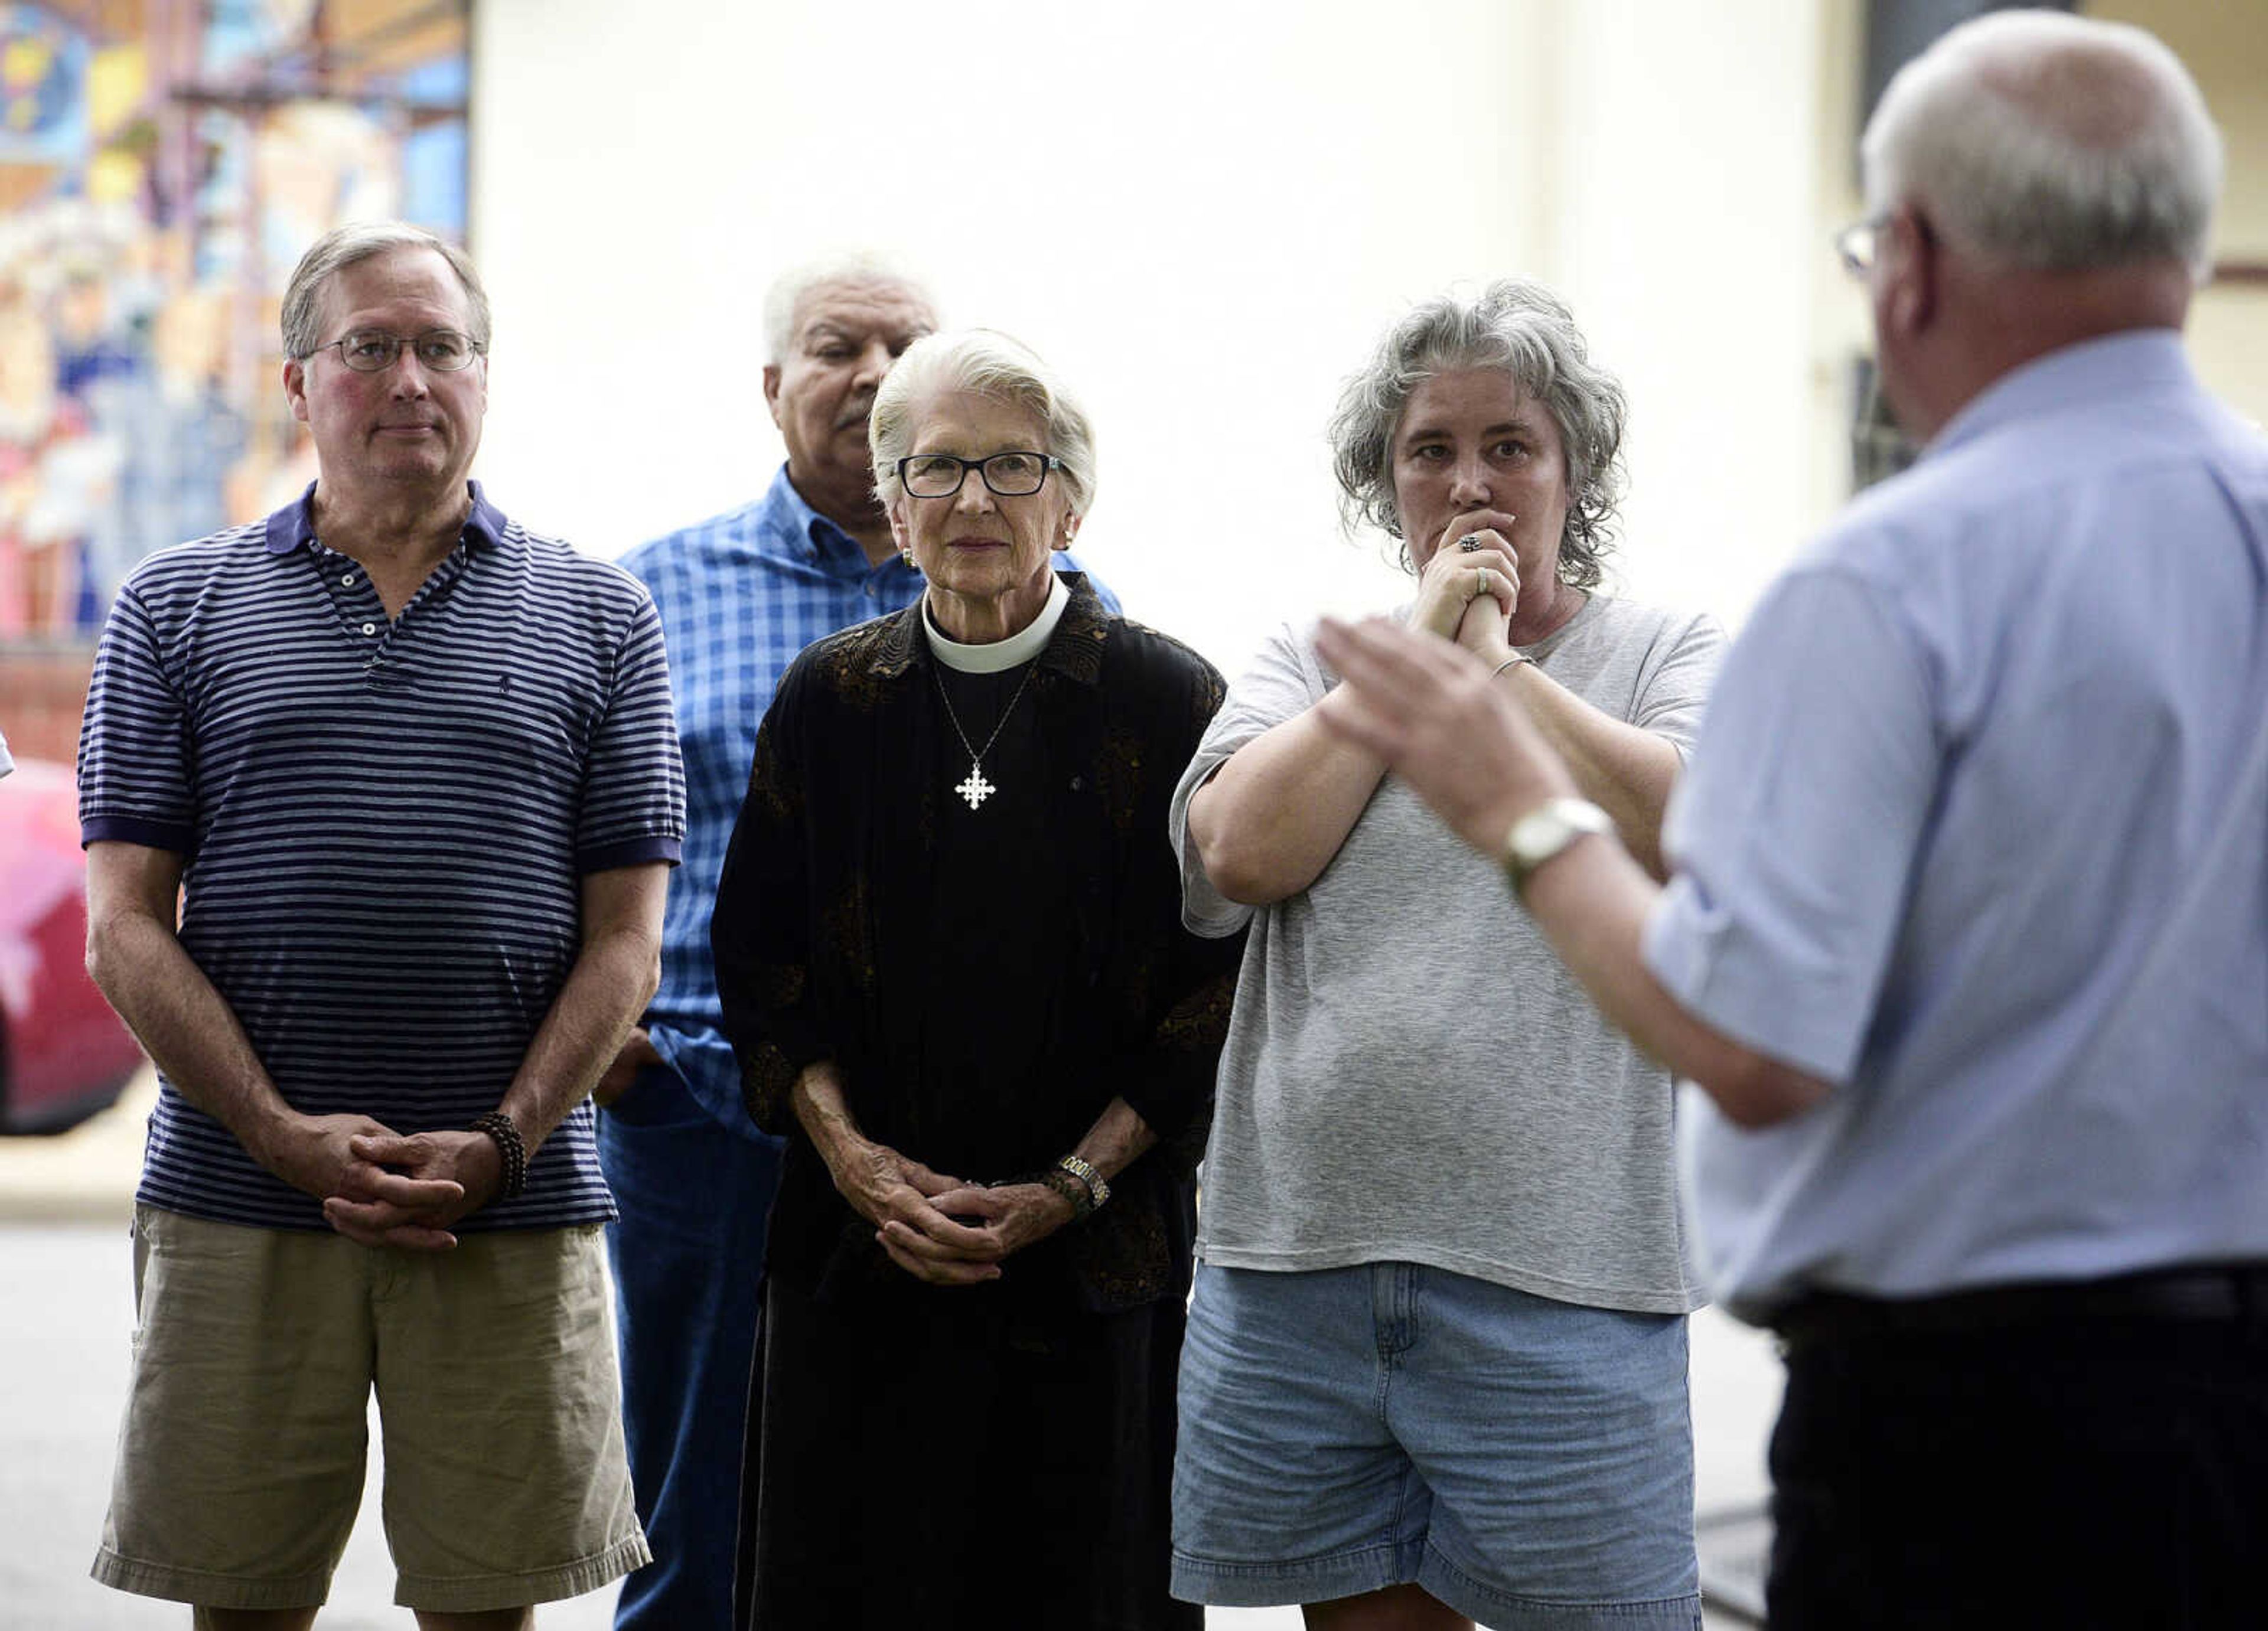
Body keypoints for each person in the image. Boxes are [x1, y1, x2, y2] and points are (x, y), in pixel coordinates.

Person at [1310, 14, 2264, 1628]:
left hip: (1975, 1435)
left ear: (1912, 264)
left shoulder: (1891, 580)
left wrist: (1519, 804)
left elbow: (1755, 1038)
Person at [77, 221, 681, 1626]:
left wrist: (503, 1143)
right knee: (241, 1596)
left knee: (490, 1602)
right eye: (371, 347)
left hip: (511, 1213)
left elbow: (625, 944)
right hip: (239, 1196)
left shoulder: (602, 615)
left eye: (444, 346)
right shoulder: (177, 606)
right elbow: (124, 926)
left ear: (485, 374)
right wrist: (280, 1133)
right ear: (298, 383)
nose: (412, 378)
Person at [1168, 280, 1723, 1630]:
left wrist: (1501, 673)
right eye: (1431, 450)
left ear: (1571, 468)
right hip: (1303, 1276)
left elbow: (1693, 838)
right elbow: (1239, 854)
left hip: (1570, 1287)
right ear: (1386, 481)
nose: (1470, 481)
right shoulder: (1310, 658)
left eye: (1510, 445)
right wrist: (1414, 659)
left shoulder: (1663, 649)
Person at [594, 256, 1113, 1631]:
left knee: (942, 1519)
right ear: (774, 388)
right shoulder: (651, 595)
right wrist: (616, 1057)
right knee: (695, 1521)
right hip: (710, 1120)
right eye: (837, 346)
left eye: (908, 345)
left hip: (977, 1144)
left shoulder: (1068, 607)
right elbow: (562, 835)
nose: (875, 372)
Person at [711, 328, 1239, 1628]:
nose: (974, 502)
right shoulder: (831, 699)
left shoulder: (1168, 699)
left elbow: (1212, 989)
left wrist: (1068, 1188)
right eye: (936, 469)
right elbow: (760, 962)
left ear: (1073, 497)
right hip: (861, 1254)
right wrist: (859, 1165)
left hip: (1097, 1261)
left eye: (1013, 465)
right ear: (890, 506)